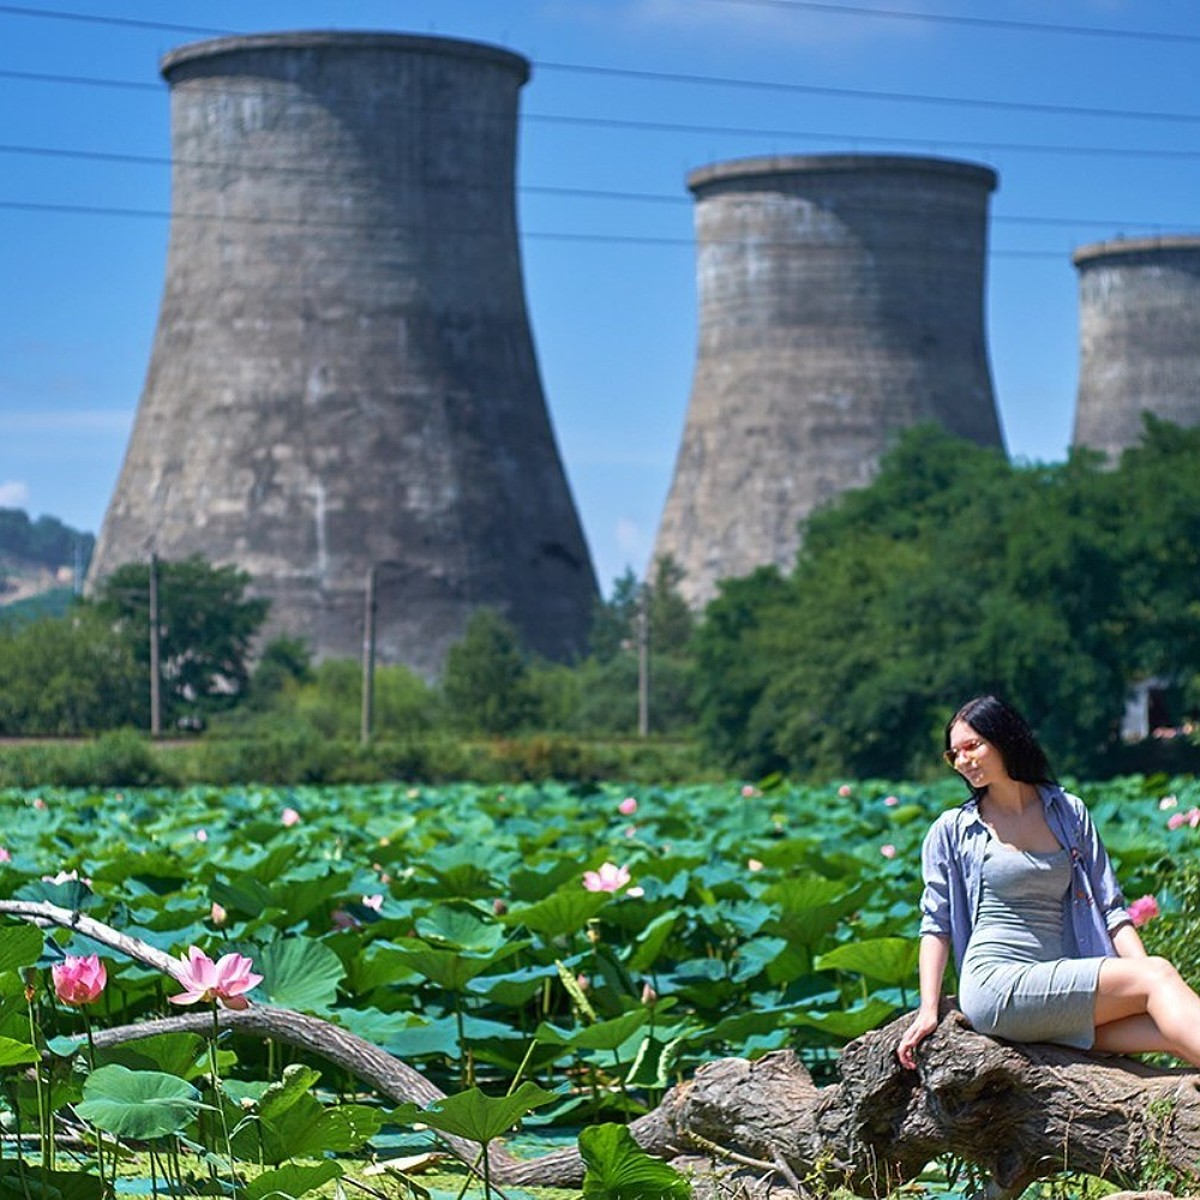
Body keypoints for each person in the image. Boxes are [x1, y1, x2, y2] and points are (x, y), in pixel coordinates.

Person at [896, 693, 1200, 1071]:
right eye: (953, 754)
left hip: (1058, 987)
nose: (962, 761)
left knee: (1166, 1026)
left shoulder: (1068, 812)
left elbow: (1112, 910)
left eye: (971, 746)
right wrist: (928, 1008)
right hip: (996, 982)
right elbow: (935, 924)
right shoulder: (953, 830)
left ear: (1004, 738)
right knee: (1158, 978)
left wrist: (1139, 980)